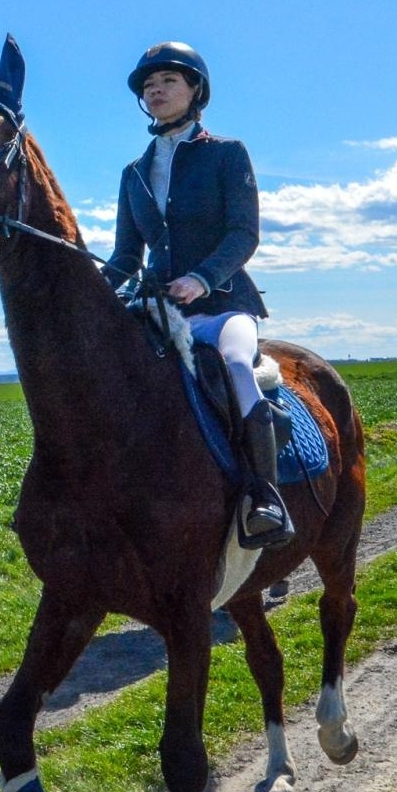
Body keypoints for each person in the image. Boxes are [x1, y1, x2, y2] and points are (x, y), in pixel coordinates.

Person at [102, 41, 290, 549]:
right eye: (148, 84)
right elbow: (125, 255)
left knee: (234, 365)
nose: (155, 90)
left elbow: (243, 234)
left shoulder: (227, 154)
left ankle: (264, 495)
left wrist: (201, 278)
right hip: (157, 306)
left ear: (195, 90)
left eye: (167, 81)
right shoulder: (133, 174)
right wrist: (92, 296)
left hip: (222, 304)